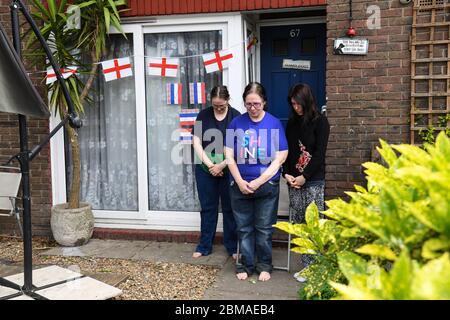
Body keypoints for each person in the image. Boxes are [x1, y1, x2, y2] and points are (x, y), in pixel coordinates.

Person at [225, 82, 288, 282]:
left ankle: (264, 265)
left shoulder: (274, 123)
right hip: (239, 185)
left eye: (257, 104)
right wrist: (240, 181)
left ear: (264, 102)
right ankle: (245, 265)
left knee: (264, 228)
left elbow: (281, 156)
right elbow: (228, 155)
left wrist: (259, 181)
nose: (252, 108)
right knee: (243, 228)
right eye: (248, 104)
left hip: (266, 186)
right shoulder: (235, 123)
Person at [282, 83, 330, 275]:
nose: (296, 107)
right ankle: (306, 266)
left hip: (313, 181)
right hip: (294, 181)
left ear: (307, 101)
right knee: (300, 226)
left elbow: (320, 154)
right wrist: (287, 174)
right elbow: (286, 151)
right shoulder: (292, 123)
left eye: (298, 103)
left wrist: (305, 176)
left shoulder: (321, 122)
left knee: (314, 224)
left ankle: (316, 269)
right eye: (293, 104)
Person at [192, 85, 241, 259]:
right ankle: (204, 245)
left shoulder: (236, 116)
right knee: (208, 208)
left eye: (221, 105)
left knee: (230, 208)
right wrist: (211, 165)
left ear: (228, 100)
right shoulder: (203, 115)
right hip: (205, 168)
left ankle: (233, 247)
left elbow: (238, 147)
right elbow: (196, 142)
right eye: (215, 105)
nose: (218, 108)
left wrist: (221, 165)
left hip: (229, 167)